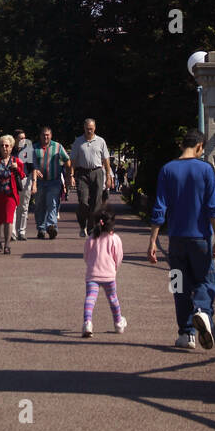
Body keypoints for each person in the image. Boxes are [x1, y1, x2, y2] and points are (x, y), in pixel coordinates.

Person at [147, 129, 215, 350]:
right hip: (200, 239)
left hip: (176, 241)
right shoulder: (206, 169)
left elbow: (159, 208)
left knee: (178, 285)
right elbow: (213, 208)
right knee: (206, 281)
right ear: (200, 146)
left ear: (183, 145)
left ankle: (186, 334)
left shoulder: (167, 170)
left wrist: (152, 241)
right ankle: (202, 311)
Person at [82, 205, 126, 337]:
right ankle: (118, 322)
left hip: (92, 274)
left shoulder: (91, 238)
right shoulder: (115, 239)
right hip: (109, 275)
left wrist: (91, 265)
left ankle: (87, 323)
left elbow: (86, 255)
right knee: (113, 299)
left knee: (90, 298)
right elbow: (118, 257)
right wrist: (114, 268)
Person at [69, 119, 113, 236]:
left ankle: (91, 228)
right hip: (82, 173)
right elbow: (72, 160)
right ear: (84, 128)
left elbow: (106, 160)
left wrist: (108, 177)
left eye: (91, 128)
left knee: (96, 202)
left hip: (97, 172)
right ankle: (82, 225)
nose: (89, 130)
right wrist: (71, 175)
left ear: (95, 128)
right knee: (83, 201)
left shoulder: (100, 141)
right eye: (87, 128)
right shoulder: (78, 142)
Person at [32, 127, 71, 239]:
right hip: (39, 182)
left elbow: (67, 160)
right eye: (44, 135)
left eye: (48, 135)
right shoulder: (34, 148)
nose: (46, 137)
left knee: (52, 203)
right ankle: (41, 228)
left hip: (54, 181)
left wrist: (69, 175)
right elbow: (30, 164)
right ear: (40, 136)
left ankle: (51, 227)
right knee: (39, 205)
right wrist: (35, 171)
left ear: (51, 136)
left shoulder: (58, 147)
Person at [12, 129, 35, 241]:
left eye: (24, 138)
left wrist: (33, 183)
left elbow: (32, 168)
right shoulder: (10, 150)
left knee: (24, 206)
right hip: (12, 180)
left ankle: (21, 231)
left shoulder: (28, 151)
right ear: (15, 139)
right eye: (21, 138)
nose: (23, 140)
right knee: (13, 206)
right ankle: (12, 232)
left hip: (25, 179)